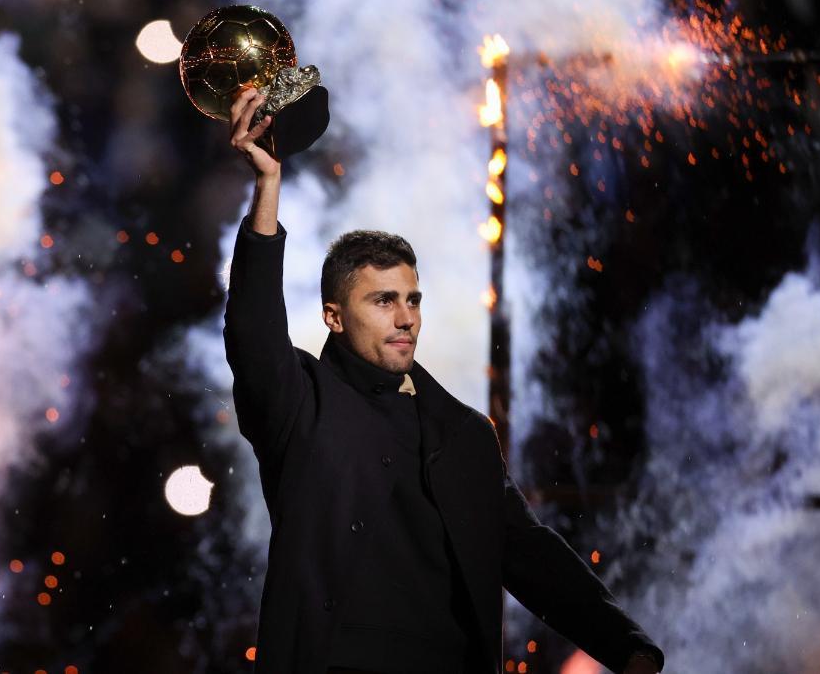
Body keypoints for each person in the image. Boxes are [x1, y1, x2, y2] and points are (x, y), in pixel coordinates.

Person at [221, 88, 665, 674]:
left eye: (412, 300)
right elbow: (253, 332)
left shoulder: (464, 434)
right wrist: (268, 185)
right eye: (383, 301)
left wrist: (627, 648)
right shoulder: (301, 403)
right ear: (334, 316)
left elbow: (529, 554)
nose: (406, 317)